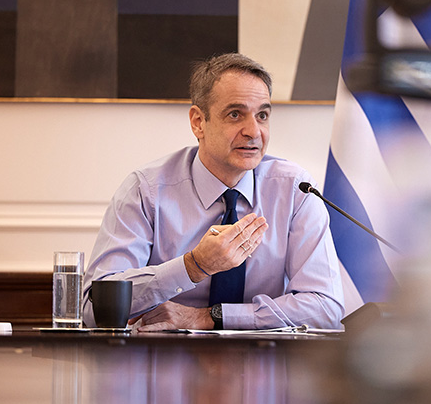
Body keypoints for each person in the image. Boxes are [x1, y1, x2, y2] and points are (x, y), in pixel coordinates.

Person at [82, 53, 344, 331]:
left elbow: (325, 307)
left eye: (262, 115)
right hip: (164, 352)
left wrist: (209, 317)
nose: (253, 131)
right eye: (235, 114)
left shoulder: (295, 190)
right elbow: (93, 309)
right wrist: (193, 266)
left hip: (265, 354)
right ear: (198, 122)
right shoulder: (145, 190)